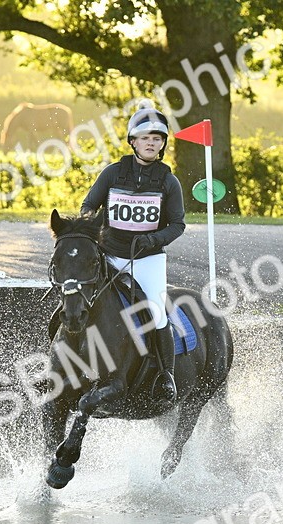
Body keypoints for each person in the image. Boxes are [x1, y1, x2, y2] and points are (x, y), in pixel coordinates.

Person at [80, 106, 187, 403]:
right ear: (133, 141)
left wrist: (153, 238)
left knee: (155, 310)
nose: (151, 143)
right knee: (78, 296)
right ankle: (58, 360)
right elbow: (88, 206)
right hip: (110, 254)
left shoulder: (169, 181)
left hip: (148, 259)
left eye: (157, 138)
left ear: (163, 143)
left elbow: (178, 224)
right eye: (145, 137)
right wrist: (96, 229)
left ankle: (166, 376)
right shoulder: (113, 173)